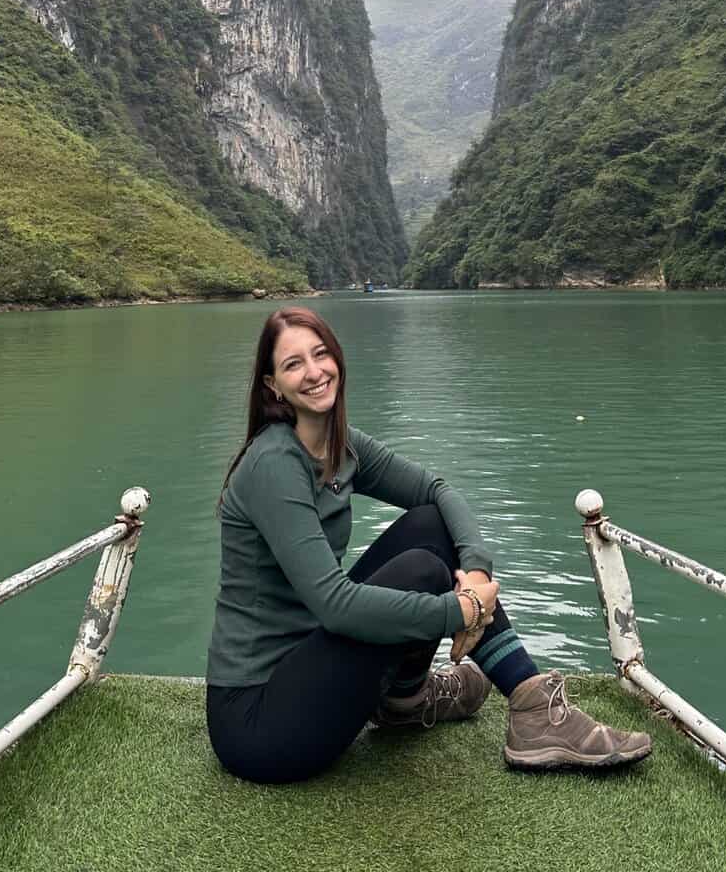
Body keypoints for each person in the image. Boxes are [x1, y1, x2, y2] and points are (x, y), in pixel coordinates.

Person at [205, 305, 652, 784]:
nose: (314, 372)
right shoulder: (274, 463)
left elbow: (438, 492)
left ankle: (421, 701)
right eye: (294, 364)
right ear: (273, 386)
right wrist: (459, 611)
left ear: (337, 358)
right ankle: (508, 706)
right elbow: (334, 605)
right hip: (261, 724)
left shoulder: (340, 445)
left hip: (313, 664)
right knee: (420, 569)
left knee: (430, 525)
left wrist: (477, 571)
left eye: (321, 354)